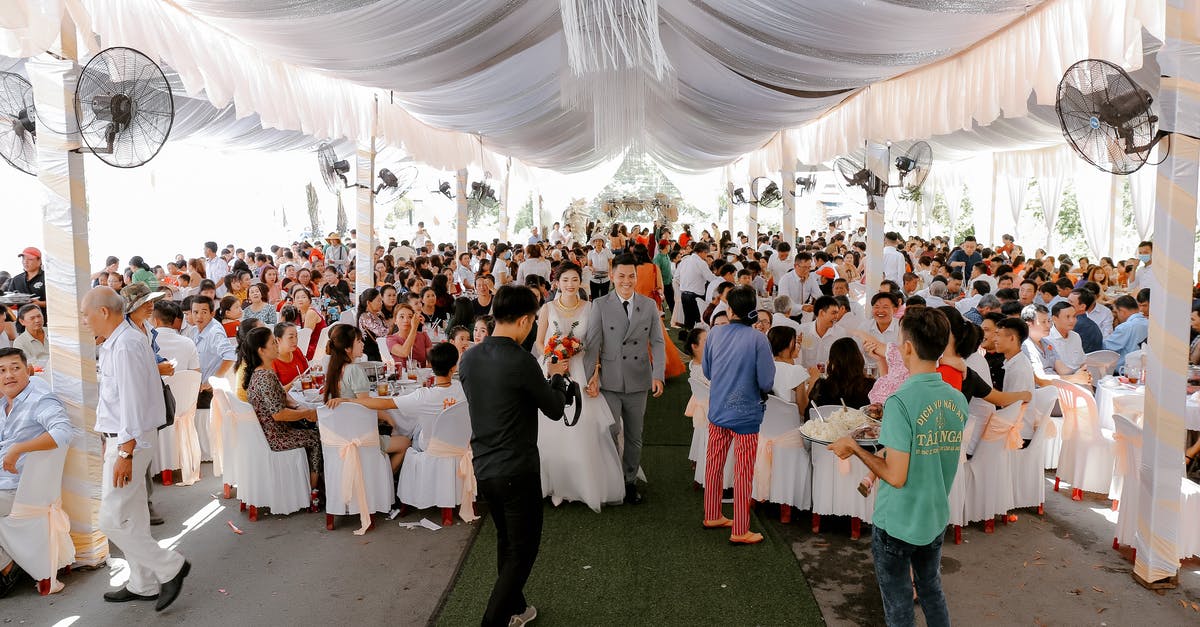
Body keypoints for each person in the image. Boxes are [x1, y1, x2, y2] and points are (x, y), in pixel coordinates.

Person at [828, 307, 967, 627]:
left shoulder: (901, 401)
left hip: (898, 521)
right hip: (933, 513)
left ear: (907, 347)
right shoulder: (955, 398)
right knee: (931, 590)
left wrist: (852, 446)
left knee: (899, 602)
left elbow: (895, 474)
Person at [459, 284, 570, 627]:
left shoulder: (471, 357)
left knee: (506, 540)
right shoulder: (521, 361)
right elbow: (553, 409)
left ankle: (516, 609)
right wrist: (557, 380)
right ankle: (493, 620)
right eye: (533, 321)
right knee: (522, 550)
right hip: (517, 468)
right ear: (524, 320)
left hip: (483, 466)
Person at [83, 287, 191, 611]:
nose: (84, 321)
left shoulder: (126, 344)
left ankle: (170, 567)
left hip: (130, 439)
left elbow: (132, 403)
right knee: (132, 515)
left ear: (103, 312)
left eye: (86, 314)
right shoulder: (121, 340)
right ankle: (142, 583)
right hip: (125, 437)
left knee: (111, 519)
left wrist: (125, 452)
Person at [531, 263, 624, 511]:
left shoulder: (590, 308)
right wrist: (552, 357)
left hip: (581, 372)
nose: (570, 284)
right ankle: (555, 486)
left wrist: (595, 374)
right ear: (557, 282)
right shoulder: (547, 308)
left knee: (582, 427)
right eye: (565, 280)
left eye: (574, 280)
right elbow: (539, 342)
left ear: (580, 282)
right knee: (552, 427)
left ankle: (581, 485)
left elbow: (596, 345)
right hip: (553, 370)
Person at [583, 254, 666, 505]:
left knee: (634, 434)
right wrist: (591, 377)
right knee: (610, 430)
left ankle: (629, 481)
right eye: (621, 276)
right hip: (610, 378)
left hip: (639, 378)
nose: (626, 281)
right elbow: (592, 344)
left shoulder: (649, 305)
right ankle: (610, 480)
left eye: (631, 276)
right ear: (612, 276)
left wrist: (658, 375)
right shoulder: (600, 304)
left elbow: (658, 343)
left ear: (636, 277)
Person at [0, 347, 81, 597]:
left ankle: (8, 567)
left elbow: (63, 432)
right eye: (1, 371)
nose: (8, 375)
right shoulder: (4, 402)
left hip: (18, 488)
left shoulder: (40, 400)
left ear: (29, 370)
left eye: (15, 368)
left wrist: (19, 448)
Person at [701, 285, 775, 544]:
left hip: (718, 410)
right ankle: (741, 529)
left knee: (714, 465)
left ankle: (712, 513)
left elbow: (708, 372)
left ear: (729, 309)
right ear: (752, 310)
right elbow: (766, 382)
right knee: (743, 472)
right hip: (746, 415)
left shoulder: (714, 334)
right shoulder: (758, 339)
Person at [240, 327, 322, 506]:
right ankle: (313, 491)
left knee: (309, 427)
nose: (277, 345)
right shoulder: (266, 376)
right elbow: (279, 414)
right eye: (273, 343)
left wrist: (299, 406)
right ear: (261, 351)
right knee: (315, 437)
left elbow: (283, 397)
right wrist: (307, 413)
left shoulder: (261, 372)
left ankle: (307, 482)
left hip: (269, 433)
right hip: (276, 436)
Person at [805, 338, 875, 418]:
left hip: (827, 429)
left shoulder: (822, 386)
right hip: (859, 429)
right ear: (859, 359)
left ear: (832, 362)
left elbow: (809, 416)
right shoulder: (869, 386)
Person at [190, 294, 235, 418]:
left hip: (209, 393)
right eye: (196, 312)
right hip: (198, 388)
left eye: (204, 312)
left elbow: (230, 356)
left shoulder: (214, 331)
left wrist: (213, 381)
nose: (199, 316)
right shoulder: (194, 330)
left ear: (212, 313)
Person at [768, 326, 818, 410]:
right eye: (795, 341)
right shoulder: (796, 370)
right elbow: (803, 410)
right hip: (791, 420)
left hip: (768, 418)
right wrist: (813, 380)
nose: (798, 345)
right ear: (788, 344)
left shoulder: (766, 367)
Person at [676, 242, 718, 328]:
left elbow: (676, 276)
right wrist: (721, 279)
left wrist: (685, 283)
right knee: (699, 320)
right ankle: (697, 339)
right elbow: (710, 278)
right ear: (702, 252)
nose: (706, 256)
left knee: (688, 319)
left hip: (684, 293)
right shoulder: (701, 262)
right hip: (695, 295)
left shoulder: (684, 260)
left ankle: (688, 338)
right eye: (706, 253)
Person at [799, 296, 847, 369]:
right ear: (821, 313)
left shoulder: (840, 334)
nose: (836, 317)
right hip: (806, 377)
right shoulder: (802, 330)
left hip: (829, 378)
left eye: (837, 313)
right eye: (834, 313)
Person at [270, 322, 309, 388]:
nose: (295, 340)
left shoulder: (296, 351)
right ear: (278, 340)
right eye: (291, 337)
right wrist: (292, 384)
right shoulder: (271, 361)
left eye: (296, 336)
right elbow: (275, 392)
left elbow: (307, 373)